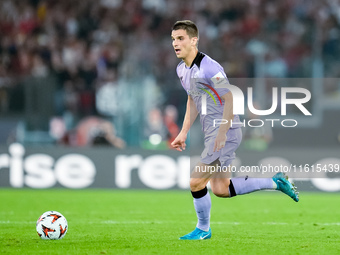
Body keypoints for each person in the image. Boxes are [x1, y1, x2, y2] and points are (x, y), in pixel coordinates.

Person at [170, 20, 299, 240]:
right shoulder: (182, 69)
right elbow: (193, 100)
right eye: (173, 39)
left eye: (180, 38)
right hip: (213, 132)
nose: (175, 43)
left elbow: (230, 97)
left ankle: (203, 230)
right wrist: (183, 132)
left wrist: (221, 132)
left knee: (196, 182)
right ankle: (275, 182)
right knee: (221, 188)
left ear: (194, 40)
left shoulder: (210, 67)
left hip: (226, 131)